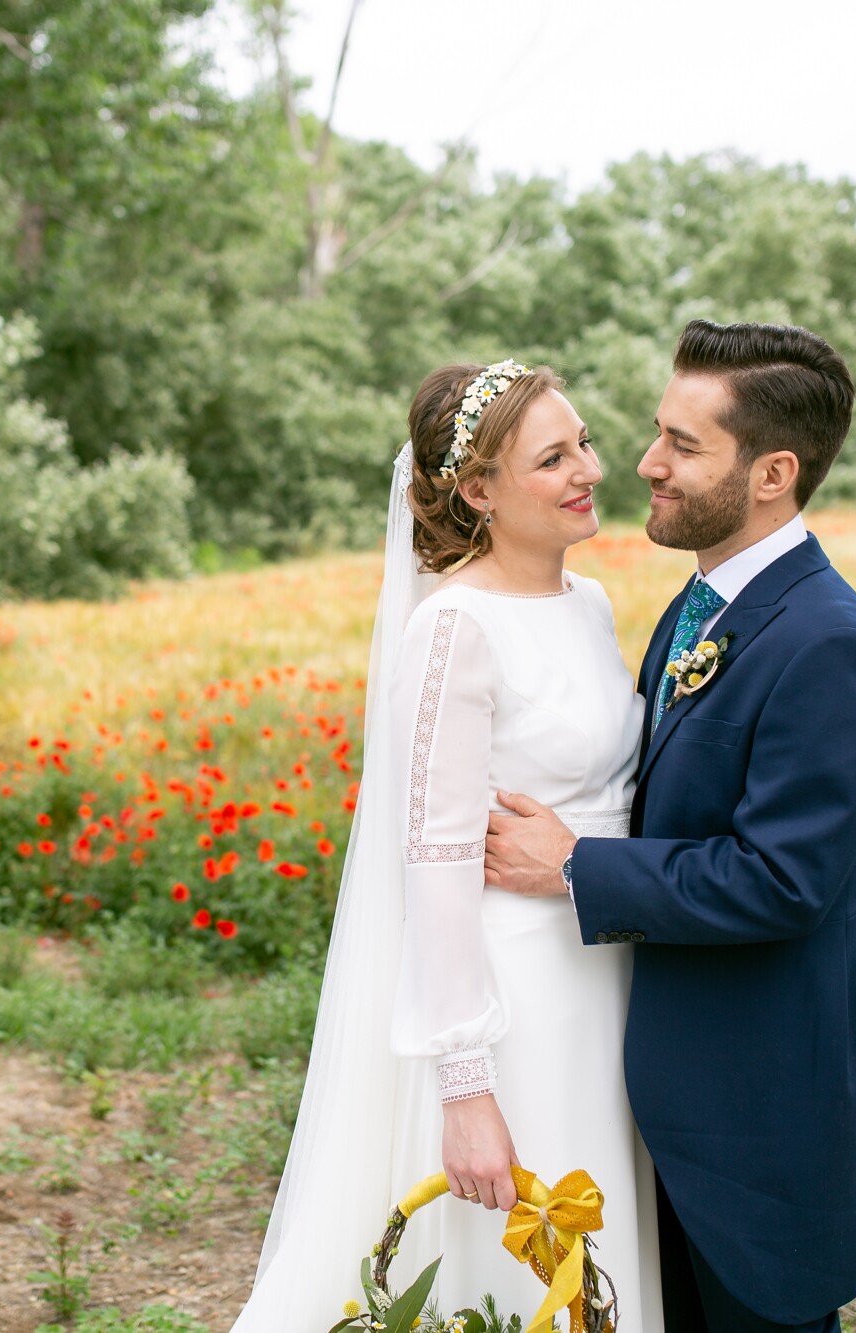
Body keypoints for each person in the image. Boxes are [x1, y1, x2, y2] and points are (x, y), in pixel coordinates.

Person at [485, 321, 856, 1333]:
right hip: (660, 1096)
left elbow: (781, 879)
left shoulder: (829, 643)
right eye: (655, 432)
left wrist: (579, 866)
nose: (643, 463)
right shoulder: (698, 605)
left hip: (756, 1112)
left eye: (682, 443)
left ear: (771, 472)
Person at [233, 361, 664, 1330]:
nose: (587, 469)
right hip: (515, 999)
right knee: (514, 1259)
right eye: (552, 458)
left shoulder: (588, 604)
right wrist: (465, 1091)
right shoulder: (453, 629)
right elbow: (430, 867)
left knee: (595, 1242)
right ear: (476, 489)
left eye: (583, 442)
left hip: (606, 975)